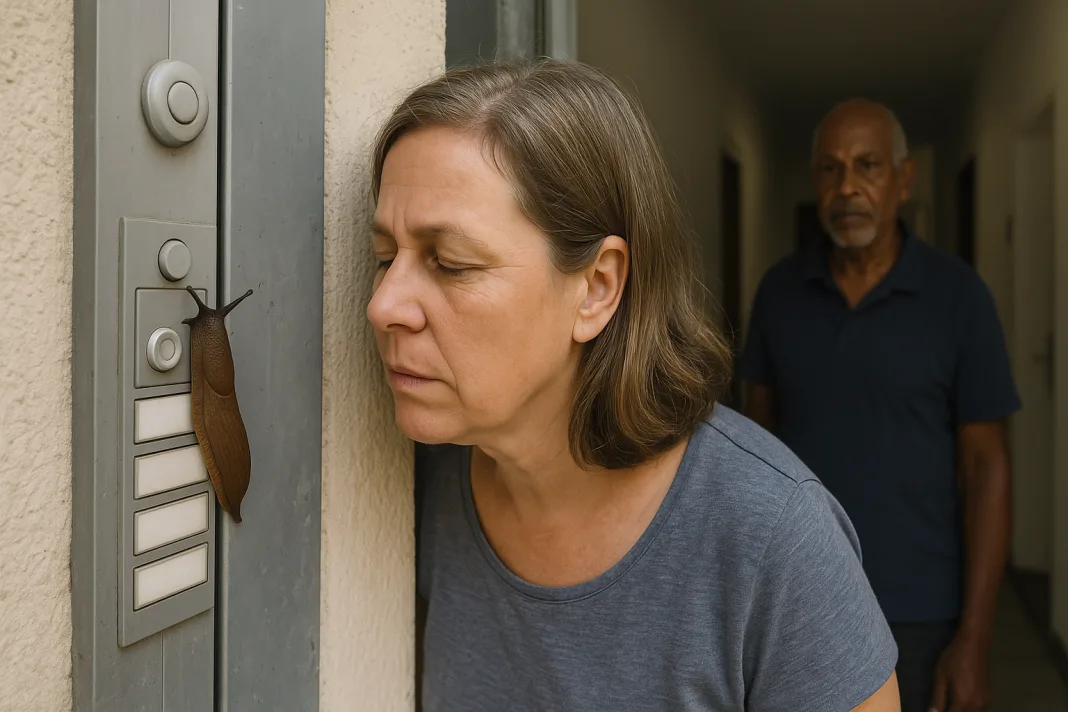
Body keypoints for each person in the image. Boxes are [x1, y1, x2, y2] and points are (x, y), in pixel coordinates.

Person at [368, 59, 900, 711]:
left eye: (450, 263)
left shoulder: (774, 535)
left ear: (597, 287)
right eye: (384, 257)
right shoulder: (425, 482)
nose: (383, 305)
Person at [741, 99, 1019, 712]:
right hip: (798, 598)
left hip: (920, 611)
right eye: (830, 168)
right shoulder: (780, 292)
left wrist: (975, 639)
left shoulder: (959, 297)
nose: (847, 187)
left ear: (904, 178)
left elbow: (988, 467)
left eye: (867, 165)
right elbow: (754, 444)